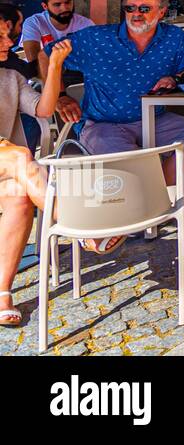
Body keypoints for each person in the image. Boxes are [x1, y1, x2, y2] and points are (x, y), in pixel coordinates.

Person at [0, 33, 111, 326]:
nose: (7, 41)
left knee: (20, 197)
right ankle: (81, 227)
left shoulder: (11, 76)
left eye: (6, 34)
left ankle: (1, 293)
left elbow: (44, 109)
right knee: (21, 156)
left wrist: (55, 66)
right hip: (9, 157)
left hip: (6, 166)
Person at [48, 0, 184, 181]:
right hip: (103, 124)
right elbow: (47, 55)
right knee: (132, 165)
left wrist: (175, 78)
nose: (136, 13)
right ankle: (146, 198)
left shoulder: (174, 38)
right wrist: (60, 96)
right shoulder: (96, 38)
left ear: (162, 12)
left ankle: (157, 194)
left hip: (155, 120)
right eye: (130, 8)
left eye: (145, 8)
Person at [21, 0, 92, 75]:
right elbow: (34, 60)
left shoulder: (85, 24)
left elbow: (94, 56)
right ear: (45, 6)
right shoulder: (34, 22)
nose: (64, 8)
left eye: (68, 2)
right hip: (42, 72)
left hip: (77, 74)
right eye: (57, 5)